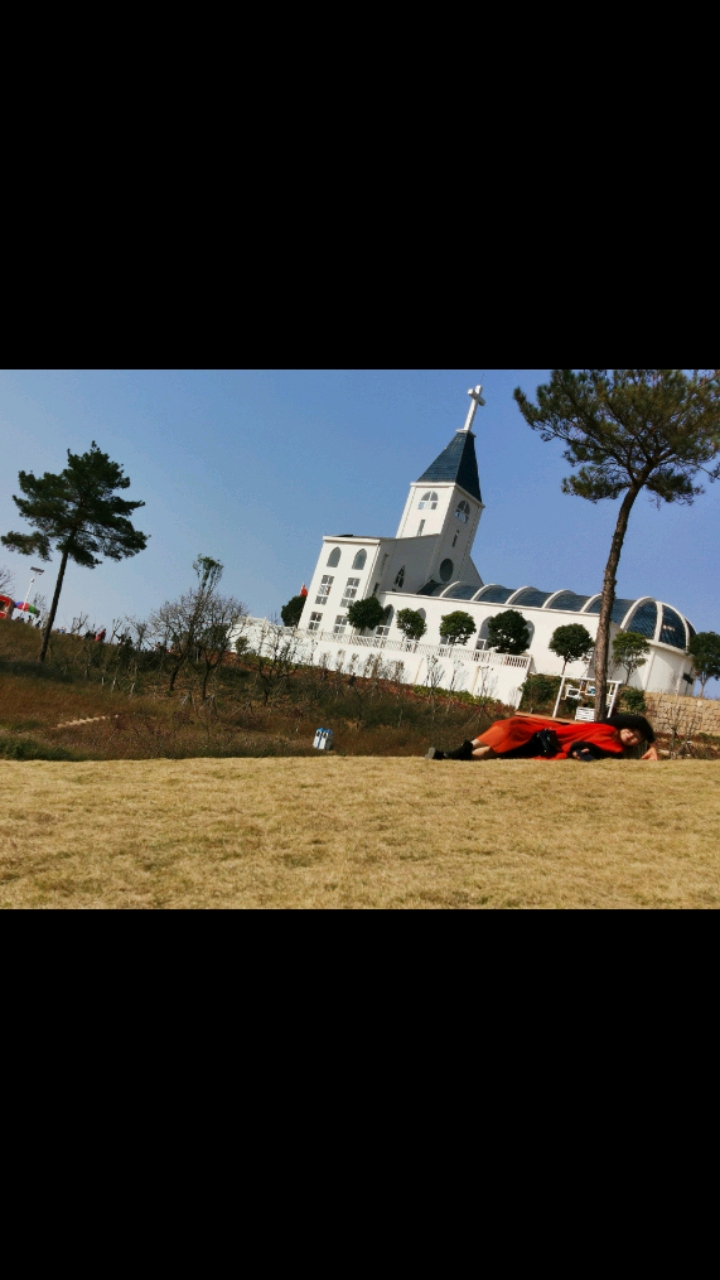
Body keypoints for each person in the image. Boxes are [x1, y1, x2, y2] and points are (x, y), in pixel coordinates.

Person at [426, 712, 659, 763]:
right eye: (632, 731)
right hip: (548, 732)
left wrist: (579, 753)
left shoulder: (616, 750)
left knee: (496, 751)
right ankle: (463, 749)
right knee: (510, 727)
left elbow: (590, 749)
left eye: (637, 738)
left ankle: (450, 757)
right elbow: (639, 720)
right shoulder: (607, 726)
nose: (632, 735)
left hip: (548, 747)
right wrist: (653, 745)